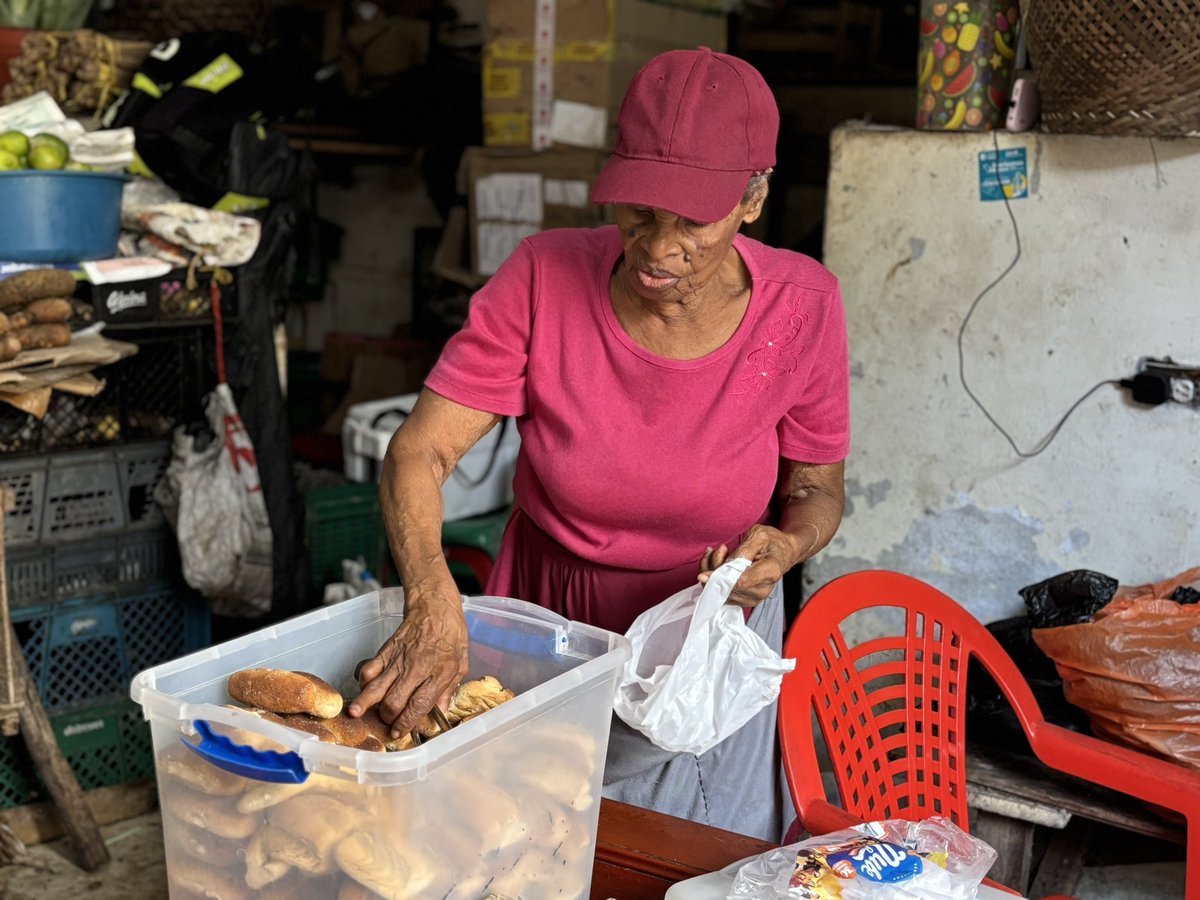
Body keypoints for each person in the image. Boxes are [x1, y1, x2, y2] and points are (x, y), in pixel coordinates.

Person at [348, 46, 849, 842]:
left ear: (754, 197)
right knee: (519, 840)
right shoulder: (543, 277)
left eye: (692, 219)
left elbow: (818, 486)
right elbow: (419, 451)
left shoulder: (802, 306)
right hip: (550, 614)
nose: (657, 246)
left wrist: (786, 546)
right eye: (640, 210)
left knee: (690, 860)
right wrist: (433, 594)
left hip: (702, 640)